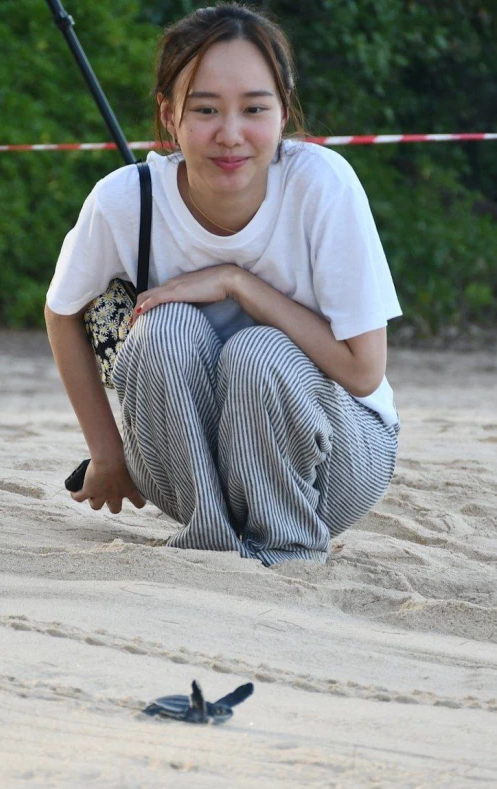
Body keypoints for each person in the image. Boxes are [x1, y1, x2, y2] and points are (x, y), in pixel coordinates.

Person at [44, 2, 402, 567]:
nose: (230, 135)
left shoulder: (322, 185)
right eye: (206, 109)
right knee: (161, 328)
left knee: (256, 352)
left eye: (254, 108)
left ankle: (287, 550)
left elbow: (364, 370)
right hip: (187, 471)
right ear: (169, 116)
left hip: (334, 464)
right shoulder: (126, 199)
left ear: (283, 111)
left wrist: (239, 283)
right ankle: (210, 547)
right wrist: (106, 453)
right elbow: (62, 310)